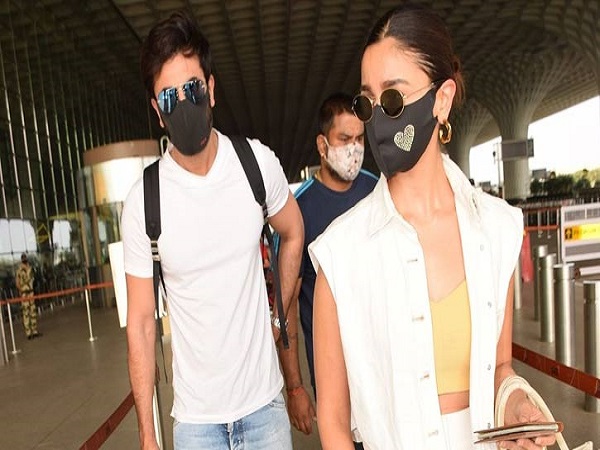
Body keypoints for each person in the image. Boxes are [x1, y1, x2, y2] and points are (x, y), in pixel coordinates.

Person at [309, 4, 557, 450]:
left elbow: (499, 368)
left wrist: (516, 404)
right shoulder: (341, 255)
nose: (377, 117)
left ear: (441, 100)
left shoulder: (497, 229)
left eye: (393, 97)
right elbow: (333, 420)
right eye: (367, 101)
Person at [121, 10, 304, 450]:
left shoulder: (255, 164)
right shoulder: (145, 200)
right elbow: (141, 323)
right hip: (196, 425)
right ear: (157, 111)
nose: (183, 103)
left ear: (212, 89)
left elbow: (294, 231)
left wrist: (278, 312)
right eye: (169, 97)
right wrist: (147, 434)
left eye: (193, 88)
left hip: (264, 410)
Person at [277, 93, 377, 445]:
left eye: (360, 139)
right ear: (323, 145)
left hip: (384, 370)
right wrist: (295, 387)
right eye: (344, 139)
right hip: (335, 382)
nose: (354, 149)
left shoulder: (377, 192)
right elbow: (287, 306)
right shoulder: (299, 211)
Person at [15, 253, 41, 340]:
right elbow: (17, 283)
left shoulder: (30, 268)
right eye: (23, 258)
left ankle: (34, 331)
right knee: (26, 313)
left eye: (25, 258)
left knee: (33, 311)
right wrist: (21, 290)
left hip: (31, 292)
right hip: (24, 293)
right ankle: (28, 333)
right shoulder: (19, 270)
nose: (25, 259)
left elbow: (33, 279)